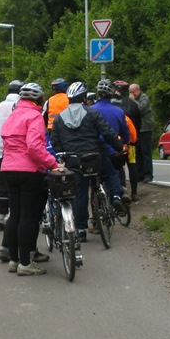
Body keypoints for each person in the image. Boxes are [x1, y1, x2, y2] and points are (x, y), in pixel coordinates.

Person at [50, 82, 125, 243]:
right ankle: (116, 196)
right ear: (84, 97)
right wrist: (118, 147)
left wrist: (63, 156)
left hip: (74, 160)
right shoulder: (92, 114)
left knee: (80, 193)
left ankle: (81, 229)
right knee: (111, 173)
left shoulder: (59, 118)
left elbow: (55, 141)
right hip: (94, 156)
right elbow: (107, 132)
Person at [1, 82, 60, 276]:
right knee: (28, 217)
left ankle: (14, 260)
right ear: (39, 99)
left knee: (14, 215)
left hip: (9, 170)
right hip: (28, 171)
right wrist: (53, 163)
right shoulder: (34, 116)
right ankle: (25, 263)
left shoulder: (12, 116)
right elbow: (34, 148)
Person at [0, 79, 23, 232]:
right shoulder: (21, 106)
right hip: (16, 151)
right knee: (18, 184)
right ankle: (17, 216)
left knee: (2, 183)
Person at [91, 79, 131, 208]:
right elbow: (125, 133)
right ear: (112, 94)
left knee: (94, 182)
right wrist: (124, 142)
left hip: (94, 150)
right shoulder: (118, 111)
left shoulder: (90, 110)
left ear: (97, 93)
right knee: (115, 171)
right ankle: (119, 192)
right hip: (113, 150)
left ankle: (96, 219)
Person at [112, 80, 141, 201]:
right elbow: (139, 122)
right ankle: (134, 193)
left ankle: (122, 191)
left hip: (116, 142)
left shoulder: (111, 104)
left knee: (119, 167)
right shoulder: (132, 103)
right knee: (132, 165)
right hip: (131, 141)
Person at [129, 83, 154, 182]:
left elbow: (139, 109)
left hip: (145, 128)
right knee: (137, 153)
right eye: (130, 92)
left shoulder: (145, 98)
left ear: (138, 91)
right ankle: (140, 174)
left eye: (133, 92)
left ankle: (148, 174)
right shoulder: (132, 99)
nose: (131, 94)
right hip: (136, 129)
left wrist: (132, 100)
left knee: (146, 152)